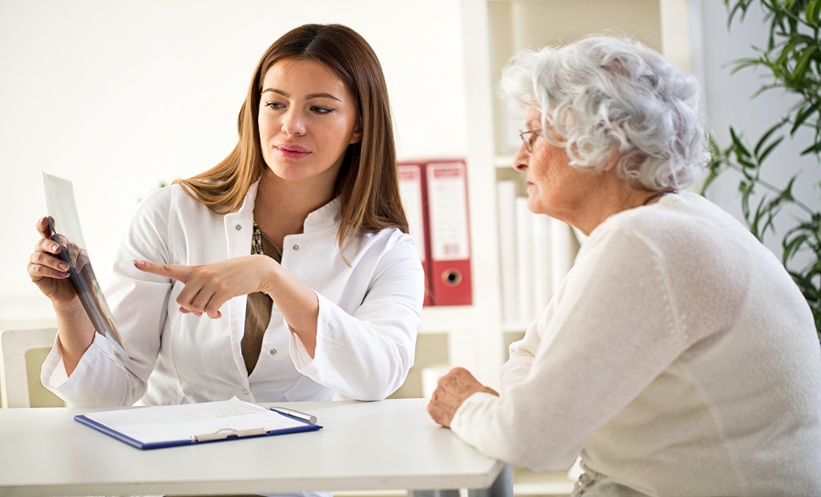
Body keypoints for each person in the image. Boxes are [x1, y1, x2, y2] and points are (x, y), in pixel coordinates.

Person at [427, 34, 821, 496]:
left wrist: (466, 405)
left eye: (533, 135)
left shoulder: (642, 242)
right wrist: (532, 405)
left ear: (605, 140)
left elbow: (531, 440)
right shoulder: (662, 224)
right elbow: (529, 357)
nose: (519, 159)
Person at [28, 23, 424, 410]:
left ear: (359, 127)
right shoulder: (170, 214)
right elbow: (110, 392)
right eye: (275, 104)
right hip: (174, 463)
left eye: (320, 109)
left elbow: (380, 377)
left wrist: (273, 278)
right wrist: (69, 307)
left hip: (299, 464)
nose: (291, 126)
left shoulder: (388, 250)